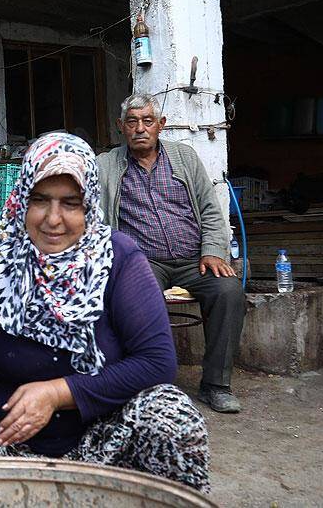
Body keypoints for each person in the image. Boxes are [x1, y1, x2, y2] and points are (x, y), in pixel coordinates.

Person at [0, 132, 209, 493]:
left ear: (89, 204)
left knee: (173, 422)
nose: (53, 219)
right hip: (12, 430)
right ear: (22, 200)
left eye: (70, 203)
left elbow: (158, 362)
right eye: (40, 200)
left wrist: (58, 393)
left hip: (105, 433)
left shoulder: (118, 259)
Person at [97, 94, 246, 413]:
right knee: (137, 294)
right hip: (142, 261)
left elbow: (209, 208)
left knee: (229, 291)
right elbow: (93, 217)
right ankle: (146, 383)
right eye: (132, 122)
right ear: (121, 127)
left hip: (195, 259)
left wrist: (213, 251)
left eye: (148, 121)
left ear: (160, 125)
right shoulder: (106, 165)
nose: (140, 128)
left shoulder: (184, 157)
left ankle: (216, 385)